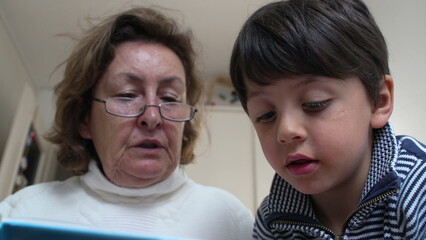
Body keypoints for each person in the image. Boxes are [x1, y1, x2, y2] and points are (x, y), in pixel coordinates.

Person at [0, 7, 254, 240]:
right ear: (84, 118)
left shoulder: (229, 219)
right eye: (127, 94)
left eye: (169, 98)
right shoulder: (22, 211)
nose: (152, 117)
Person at [229, 0, 426, 239]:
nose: (286, 130)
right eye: (266, 115)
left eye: (315, 103)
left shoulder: (418, 190)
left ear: (379, 101)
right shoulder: (272, 221)